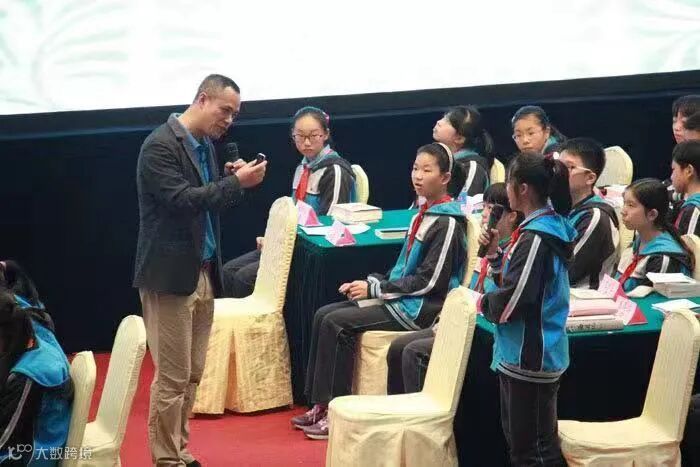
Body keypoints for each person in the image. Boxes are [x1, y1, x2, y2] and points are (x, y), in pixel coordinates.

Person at [133, 74, 267, 467]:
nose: (229, 120)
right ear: (202, 99)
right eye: (225, 110)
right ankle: (166, 459)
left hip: (203, 271)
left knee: (192, 374)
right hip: (169, 276)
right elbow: (182, 201)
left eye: (235, 114)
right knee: (172, 377)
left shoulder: (205, 145)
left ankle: (179, 450)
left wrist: (232, 182)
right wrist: (233, 183)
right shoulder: (159, 145)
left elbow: (211, 204)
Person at [291, 142, 467, 440]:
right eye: (415, 168)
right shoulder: (423, 213)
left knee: (337, 323)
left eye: (427, 170)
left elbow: (430, 282)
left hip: (420, 309)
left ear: (445, 177)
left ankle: (337, 412)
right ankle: (320, 405)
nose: (418, 176)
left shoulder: (448, 222)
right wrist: (371, 281)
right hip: (401, 298)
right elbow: (402, 269)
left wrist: (376, 289)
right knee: (324, 314)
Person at [477, 152, 575, 466]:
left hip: (530, 355)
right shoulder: (539, 228)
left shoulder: (536, 238)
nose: (505, 187)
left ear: (522, 189)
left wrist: (480, 303)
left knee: (533, 453)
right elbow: (515, 284)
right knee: (525, 448)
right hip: (518, 352)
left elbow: (513, 302)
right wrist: (495, 257)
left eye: (509, 181)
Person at [385, 183, 521, 396]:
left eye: (492, 209)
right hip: (462, 320)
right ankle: (396, 411)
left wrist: (494, 258)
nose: (485, 214)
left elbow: (502, 294)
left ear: (512, 216)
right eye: (484, 206)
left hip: (483, 330)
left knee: (414, 351)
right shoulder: (483, 246)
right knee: (397, 347)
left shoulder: (513, 253)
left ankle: (420, 413)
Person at [223, 106, 356, 298]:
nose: (306, 142)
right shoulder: (302, 167)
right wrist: (273, 238)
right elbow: (294, 215)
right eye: (300, 136)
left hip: (311, 252)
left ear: (326, 134)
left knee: (244, 278)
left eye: (314, 135)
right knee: (228, 271)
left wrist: (284, 244)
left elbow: (330, 227)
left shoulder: (335, 170)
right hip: (291, 244)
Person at [0, 260, 72, 467]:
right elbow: (19, 279)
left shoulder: (28, 375)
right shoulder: (27, 316)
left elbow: (4, 441)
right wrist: (7, 267)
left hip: (26, 457)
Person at [559, 138, 620, 289]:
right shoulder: (559, 207)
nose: (558, 173)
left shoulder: (595, 215)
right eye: (557, 166)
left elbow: (567, 272)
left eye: (568, 167)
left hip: (583, 297)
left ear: (590, 178)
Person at [615, 178, 692, 292]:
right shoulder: (638, 243)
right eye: (624, 203)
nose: (623, 211)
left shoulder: (663, 258)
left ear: (652, 214)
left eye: (631, 205)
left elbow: (647, 300)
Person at [432, 105, 494, 197]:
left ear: (459, 138)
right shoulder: (438, 163)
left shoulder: (473, 166)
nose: (439, 122)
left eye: (448, 121)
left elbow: (466, 204)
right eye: (443, 117)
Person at [671, 141, 700, 236]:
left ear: (689, 171)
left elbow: (690, 245)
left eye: (674, 169)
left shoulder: (693, 209)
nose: (671, 177)